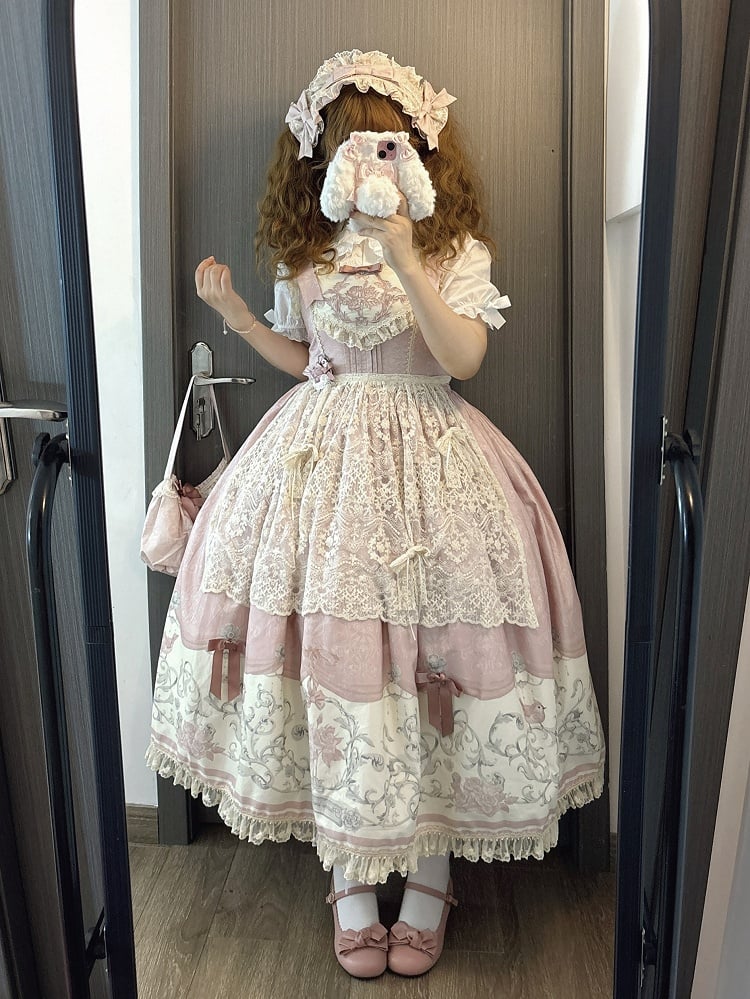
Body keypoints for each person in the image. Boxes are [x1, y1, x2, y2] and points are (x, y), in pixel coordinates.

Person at [144, 49, 606, 980]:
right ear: (321, 157)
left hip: (436, 461)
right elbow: (307, 358)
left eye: (385, 143)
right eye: (348, 145)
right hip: (320, 464)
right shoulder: (310, 252)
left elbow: (463, 359)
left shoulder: (452, 249)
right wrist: (236, 313)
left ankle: (433, 869)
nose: (366, 160)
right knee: (338, 654)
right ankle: (349, 871)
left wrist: (403, 255)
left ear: (421, 154)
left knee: (435, 657)